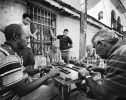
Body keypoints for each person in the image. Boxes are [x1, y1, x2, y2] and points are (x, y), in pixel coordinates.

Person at [0, 24, 60, 100]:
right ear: (16, 37)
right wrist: (49, 75)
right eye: (26, 38)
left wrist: (41, 69)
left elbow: (26, 71)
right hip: (17, 97)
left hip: (24, 86)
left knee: (48, 82)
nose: (28, 41)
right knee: (55, 90)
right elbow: (22, 90)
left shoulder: (10, 51)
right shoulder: (10, 56)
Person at [79, 29, 126, 100]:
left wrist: (87, 75)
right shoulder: (121, 50)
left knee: (83, 86)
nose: (96, 52)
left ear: (101, 43)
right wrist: (101, 69)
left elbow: (103, 96)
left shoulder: (117, 56)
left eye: (95, 48)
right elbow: (117, 74)